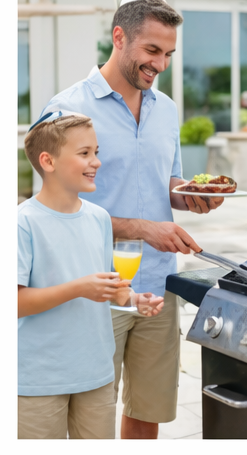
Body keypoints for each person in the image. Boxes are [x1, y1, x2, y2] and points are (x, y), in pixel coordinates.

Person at [41, 0, 224, 439]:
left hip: (157, 286)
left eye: (168, 54)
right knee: (90, 417)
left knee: (147, 411)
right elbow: (54, 208)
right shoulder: (68, 109)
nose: (160, 65)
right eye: (152, 50)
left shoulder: (166, 110)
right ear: (119, 37)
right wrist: (143, 228)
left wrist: (192, 195)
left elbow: (166, 182)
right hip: (93, 287)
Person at [18, 112, 164, 439]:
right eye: (84, 153)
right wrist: (79, 288)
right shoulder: (22, 223)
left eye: (96, 152)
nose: (96, 161)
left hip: (97, 374)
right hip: (38, 379)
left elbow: (106, 287)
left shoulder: (98, 219)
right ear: (48, 161)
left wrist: (134, 299)